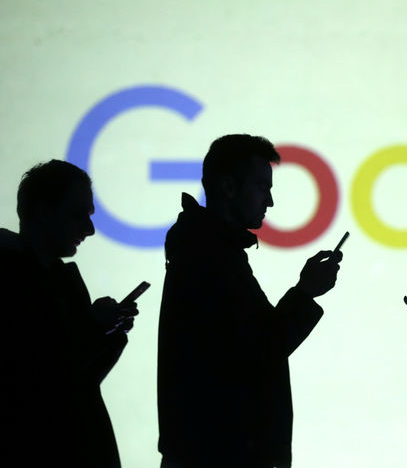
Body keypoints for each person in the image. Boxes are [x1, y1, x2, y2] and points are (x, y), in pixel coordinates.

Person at [157, 134, 342, 468]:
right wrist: (305, 293)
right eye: (261, 187)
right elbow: (261, 348)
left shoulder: (204, 248)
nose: (269, 202)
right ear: (228, 187)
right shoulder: (210, 256)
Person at [0, 160, 137, 467]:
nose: (88, 230)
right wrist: (94, 327)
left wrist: (108, 333)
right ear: (44, 211)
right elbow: (41, 378)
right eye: (78, 215)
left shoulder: (60, 280)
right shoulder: (14, 281)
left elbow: (77, 377)